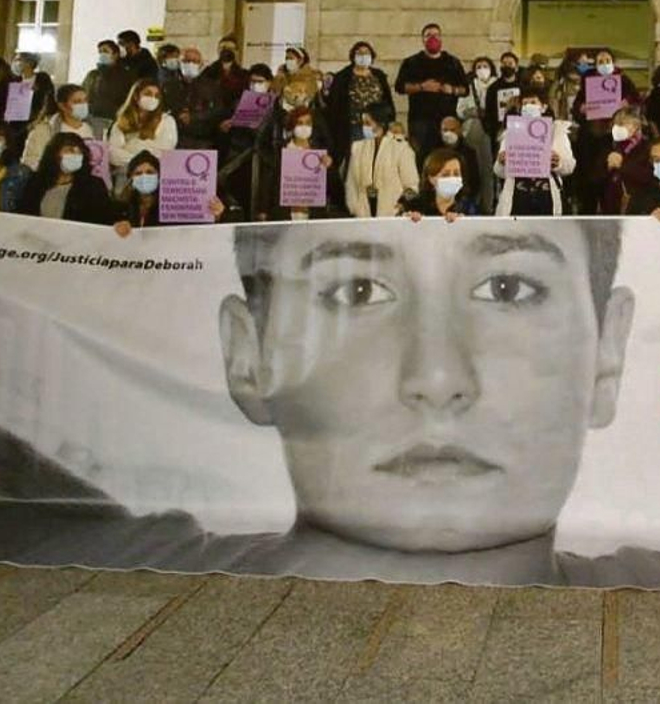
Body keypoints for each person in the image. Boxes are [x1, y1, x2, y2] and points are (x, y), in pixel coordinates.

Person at [213, 217, 634, 577]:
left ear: (607, 353)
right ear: (247, 357)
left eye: (507, 289)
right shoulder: (156, 541)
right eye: (357, 291)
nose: (436, 378)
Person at [570, 49, 642, 216]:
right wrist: (581, 108)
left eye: (607, 60)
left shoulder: (623, 80)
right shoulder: (587, 82)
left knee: (611, 180)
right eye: (600, 61)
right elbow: (576, 107)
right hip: (591, 138)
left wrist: (627, 103)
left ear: (613, 62)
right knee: (589, 181)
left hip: (614, 137)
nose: (604, 64)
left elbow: (637, 102)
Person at [493, 90, 576, 217]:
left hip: (547, 197)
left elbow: (569, 166)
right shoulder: (511, 132)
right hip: (517, 198)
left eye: (533, 102)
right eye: (524, 103)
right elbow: (498, 171)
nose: (528, 106)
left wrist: (558, 162)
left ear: (543, 107)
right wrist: (501, 162)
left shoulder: (557, 131)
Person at [396, 23, 469, 157]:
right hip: (420, 120)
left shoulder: (453, 62)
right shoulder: (411, 62)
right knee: (421, 157)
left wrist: (452, 90)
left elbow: (465, 90)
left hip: (447, 120)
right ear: (422, 39)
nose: (432, 38)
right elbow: (399, 87)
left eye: (436, 35)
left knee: (448, 155)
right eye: (428, 35)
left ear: (441, 38)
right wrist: (421, 87)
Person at [113, 150, 225, 236]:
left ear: (160, 176)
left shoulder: (173, 205)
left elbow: (194, 230)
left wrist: (215, 216)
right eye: (138, 173)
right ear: (131, 179)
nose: (144, 176)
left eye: (150, 172)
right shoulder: (123, 207)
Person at [16, 133, 115, 224]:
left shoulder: (94, 186)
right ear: (54, 153)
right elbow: (23, 215)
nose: (76, 155)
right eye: (70, 150)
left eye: (79, 152)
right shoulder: (36, 181)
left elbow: (102, 221)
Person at [261, 106, 335, 222]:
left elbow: (331, 187)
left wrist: (329, 167)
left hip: (312, 215)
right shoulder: (281, 151)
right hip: (285, 215)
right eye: (300, 123)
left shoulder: (320, 154)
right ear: (292, 126)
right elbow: (269, 181)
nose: (304, 127)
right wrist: (264, 210)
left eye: (308, 123)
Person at [344, 116, 419, 219]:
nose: (364, 127)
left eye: (368, 123)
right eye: (363, 123)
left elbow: (412, 187)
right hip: (362, 216)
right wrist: (354, 208)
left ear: (381, 124)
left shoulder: (401, 149)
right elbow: (351, 183)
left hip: (392, 217)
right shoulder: (357, 148)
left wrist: (401, 205)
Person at [326, 41, 396, 147]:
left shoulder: (379, 75)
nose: (363, 56)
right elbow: (335, 103)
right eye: (359, 53)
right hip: (352, 126)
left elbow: (387, 99)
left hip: (376, 124)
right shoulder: (342, 77)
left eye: (366, 53)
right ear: (353, 56)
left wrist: (390, 120)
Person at [0, 52, 56, 157]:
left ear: (29, 63)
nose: (15, 63)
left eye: (18, 60)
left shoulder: (42, 79)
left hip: (33, 124)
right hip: (12, 125)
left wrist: (36, 121)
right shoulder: (9, 81)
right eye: (14, 60)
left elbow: (48, 102)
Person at [590, 107, 654, 216]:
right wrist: (607, 166)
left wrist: (622, 166)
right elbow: (594, 177)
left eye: (623, 123)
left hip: (638, 208)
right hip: (610, 208)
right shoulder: (608, 146)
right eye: (615, 124)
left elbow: (649, 176)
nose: (617, 127)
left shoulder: (647, 147)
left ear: (636, 126)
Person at [107, 79, 180, 175]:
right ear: (136, 96)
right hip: (125, 176)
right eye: (148, 94)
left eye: (156, 96)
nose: (153, 98)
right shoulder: (120, 122)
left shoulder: (167, 121)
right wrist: (143, 155)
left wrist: (132, 145)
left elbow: (164, 152)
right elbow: (113, 154)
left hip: (154, 175)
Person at [165, 47, 230, 152]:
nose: (191, 64)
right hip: (174, 140)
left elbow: (218, 111)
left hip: (203, 140)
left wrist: (195, 117)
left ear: (201, 65)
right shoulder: (169, 86)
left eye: (195, 61)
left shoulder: (211, 86)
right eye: (187, 60)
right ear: (179, 62)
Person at [23, 84, 97, 174]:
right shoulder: (44, 130)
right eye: (77, 102)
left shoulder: (90, 128)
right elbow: (30, 162)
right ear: (62, 106)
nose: (83, 105)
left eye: (85, 101)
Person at [401, 148, 478, 220]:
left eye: (456, 173)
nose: (452, 178)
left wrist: (464, 224)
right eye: (445, 175)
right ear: (431, 178)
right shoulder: (416, 207)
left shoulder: (469, 209)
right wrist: (407, 222)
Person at [436, 115, 485, 213]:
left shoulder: (469, 153)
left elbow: (475, 181)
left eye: (452, 130)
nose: (448, 133)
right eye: (445, 130)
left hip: (463, 202)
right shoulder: (434, 152)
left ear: (459, 130)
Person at [82, 39, 137, 122]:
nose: (102, 54)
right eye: (100, 52)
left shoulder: (126, 76)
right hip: (91, 118)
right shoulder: (93, 74)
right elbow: (83, 94)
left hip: (114, 119)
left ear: (115, 55)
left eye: (105, 51)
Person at [483, 52, 524, 139]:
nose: (507, 66)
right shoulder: (493, 88)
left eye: (510, 63)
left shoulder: (523, 87)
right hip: (498, 129)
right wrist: (491, 130)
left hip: (520, 127)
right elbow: (488, 111)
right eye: (504, 63)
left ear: (516, 67)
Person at [201, 35, 249, 103]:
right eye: (223, 48)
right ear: (218, 50)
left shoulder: (244, 75)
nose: (226, 50)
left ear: (236, 51)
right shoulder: (207, 72)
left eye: (230, 48)